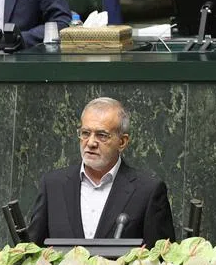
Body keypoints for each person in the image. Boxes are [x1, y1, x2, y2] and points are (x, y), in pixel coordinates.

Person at [27, 97, 175, 248]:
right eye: (85, 133)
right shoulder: (52, 185)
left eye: (102, 135)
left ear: (122, 142)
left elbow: (162, 259)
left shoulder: (147, 191)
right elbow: (31, 252)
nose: (90, 143)